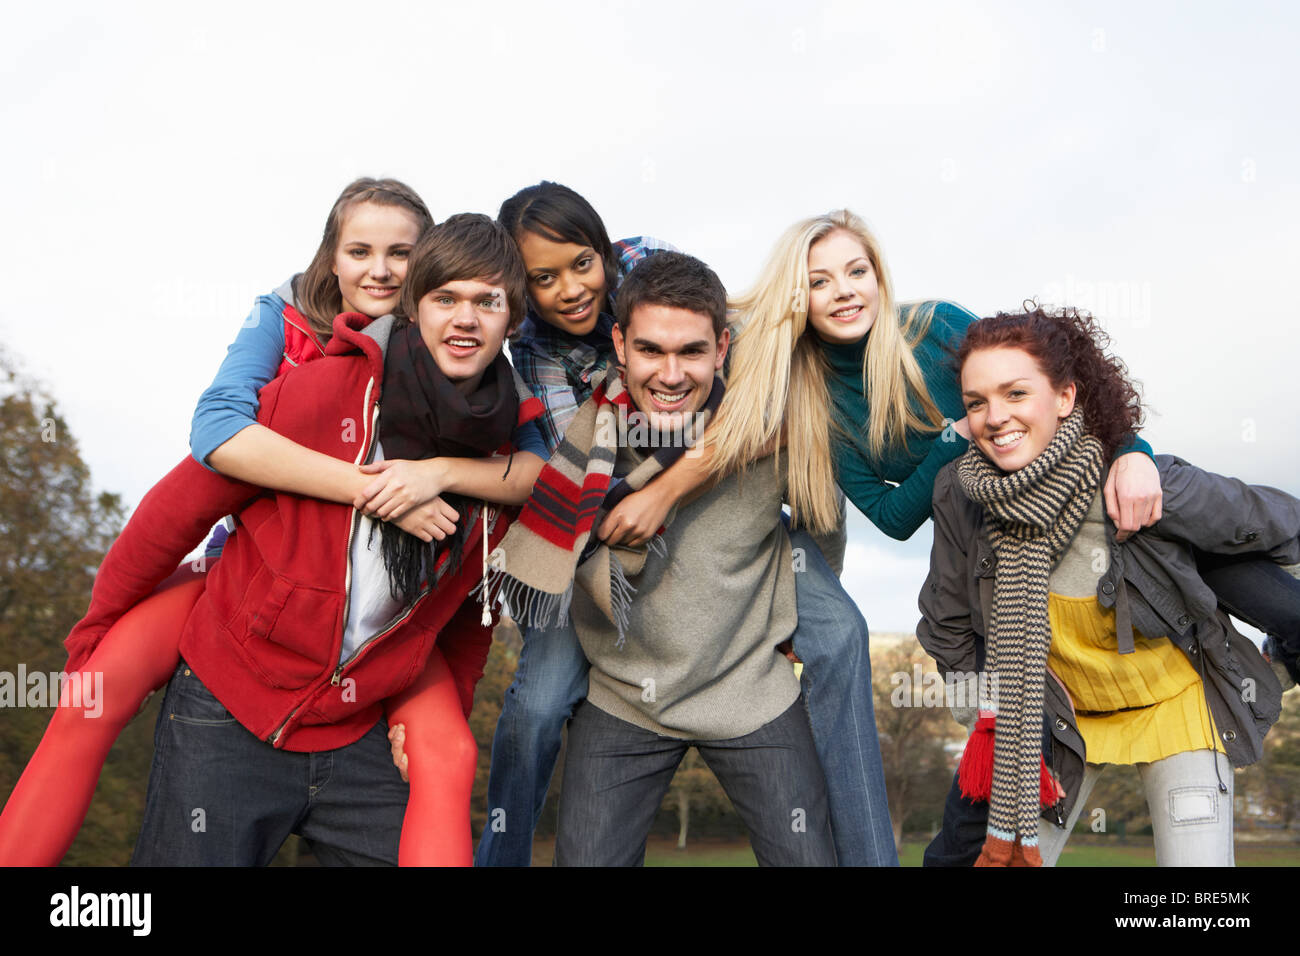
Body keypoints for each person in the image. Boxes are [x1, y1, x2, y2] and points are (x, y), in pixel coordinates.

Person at [3, 212, 547, 866]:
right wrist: (95, 632)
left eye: (487, 301)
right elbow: (172, 513)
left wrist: (439, 712)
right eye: (446, 298)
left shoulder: (505, 458)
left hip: (357, 724)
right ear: (414, 305)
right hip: (230, 705)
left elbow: (467, 611)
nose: (466, 318)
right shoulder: (319, 391)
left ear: (512, 317)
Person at [395, 182, 892, 865]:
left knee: (841, 636)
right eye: (542, 279)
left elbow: (769, 406)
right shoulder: (535, 357)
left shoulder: (656, 270)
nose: (570, 288)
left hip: (737, 634)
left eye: (580, 263)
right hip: (608, 565)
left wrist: (678, 480)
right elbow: (574, 480)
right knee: (538, 706)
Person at [487, 251, 836, 865]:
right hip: (625, 697)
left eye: (692, 352)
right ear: (619, 343)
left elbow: (822, 524)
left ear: (723, 346)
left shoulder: (763, 425)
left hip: (751, 691)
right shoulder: (585, 439)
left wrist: (795, 623)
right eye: (650, 350)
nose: (671, 375)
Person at [917, 305, 1293, 866]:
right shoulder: (958, 494)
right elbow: (947, 625)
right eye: (977, 403)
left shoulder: (1143, 483)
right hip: (1056, 721)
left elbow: (1279, 522)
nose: (995, 417)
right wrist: (997, 725)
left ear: (1065, 398)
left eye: (1016, 394)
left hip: (1173, 706)